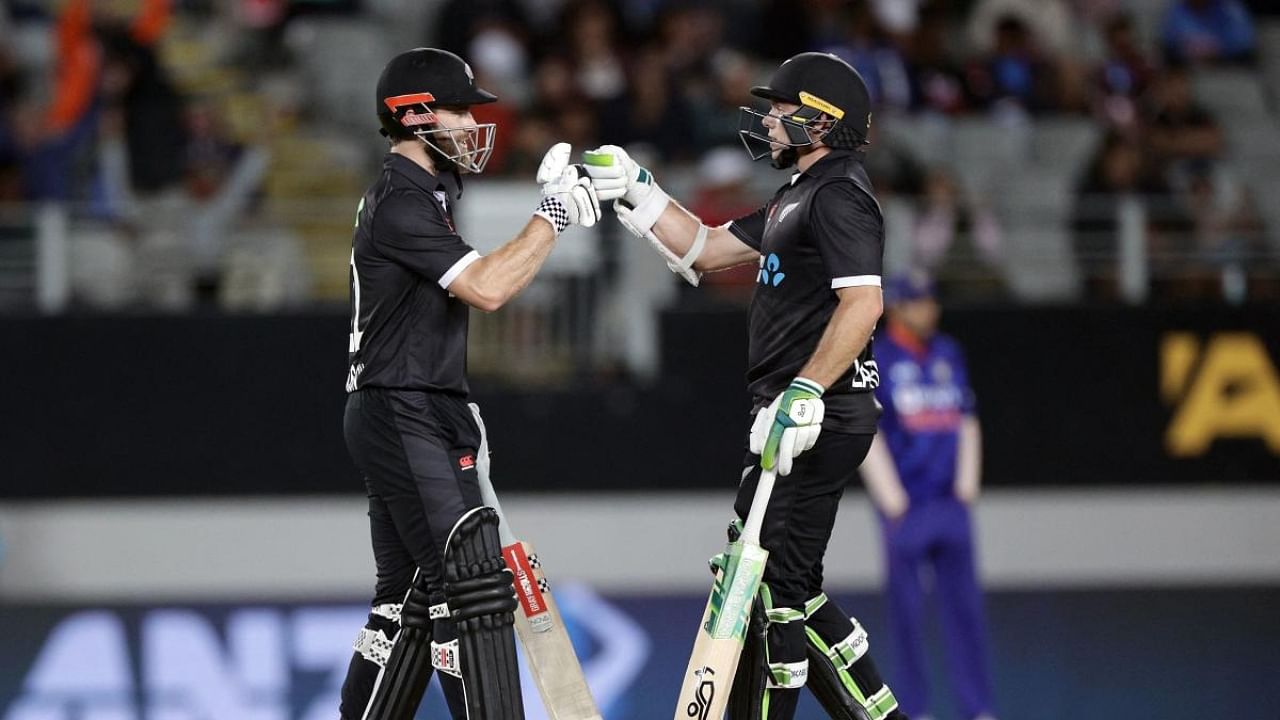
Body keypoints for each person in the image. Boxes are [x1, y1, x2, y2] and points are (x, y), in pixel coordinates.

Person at [586, 51, 906, 720]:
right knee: (792, 591)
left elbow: (864, 303)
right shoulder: (800, 196)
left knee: (767, 595)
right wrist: (638, 189)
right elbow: (703, 251)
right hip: (801, 413)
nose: (771, 120)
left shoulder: (841, 194)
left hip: (817, 415)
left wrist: (805, 392)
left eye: (786, 110)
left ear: (823, 121)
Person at [338, 47, 601, 720]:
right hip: (404, 407)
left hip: (409, 403)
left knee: (407, 599)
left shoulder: (423, 193)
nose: (469, 124)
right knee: (469, 587)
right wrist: (555, 215)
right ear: (416, 115)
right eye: (459, 110)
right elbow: (487, 288)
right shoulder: (401, 198)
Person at [859, 273, 997, 720]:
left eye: (931, 301)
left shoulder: (948, 352)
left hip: (948, 502)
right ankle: (914, 710)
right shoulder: (876, 357)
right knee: (908, 616)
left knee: (966, 612)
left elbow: (967, 417)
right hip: (907, 507)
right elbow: (867, 429)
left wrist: (967, 485)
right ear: (897, 308)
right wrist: (891, 498)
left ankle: (977, 709)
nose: (928, 310)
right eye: (918, 303)